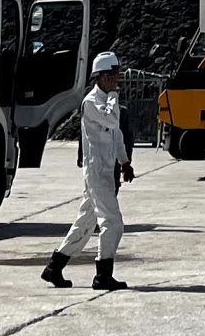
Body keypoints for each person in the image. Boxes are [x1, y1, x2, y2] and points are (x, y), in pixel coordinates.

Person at [42, 51, 137, 291]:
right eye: (114, 76)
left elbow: (117, 137)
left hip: (106, 172)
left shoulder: (107, 102)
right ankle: (103, 274)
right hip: (96, 172)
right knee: (113, 223)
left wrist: (125, 162)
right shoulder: (92, 103)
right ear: (103, 77)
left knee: (85, 222)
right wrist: (113, 97)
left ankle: (54, 267)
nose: (117, 80)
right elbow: (112, 121)